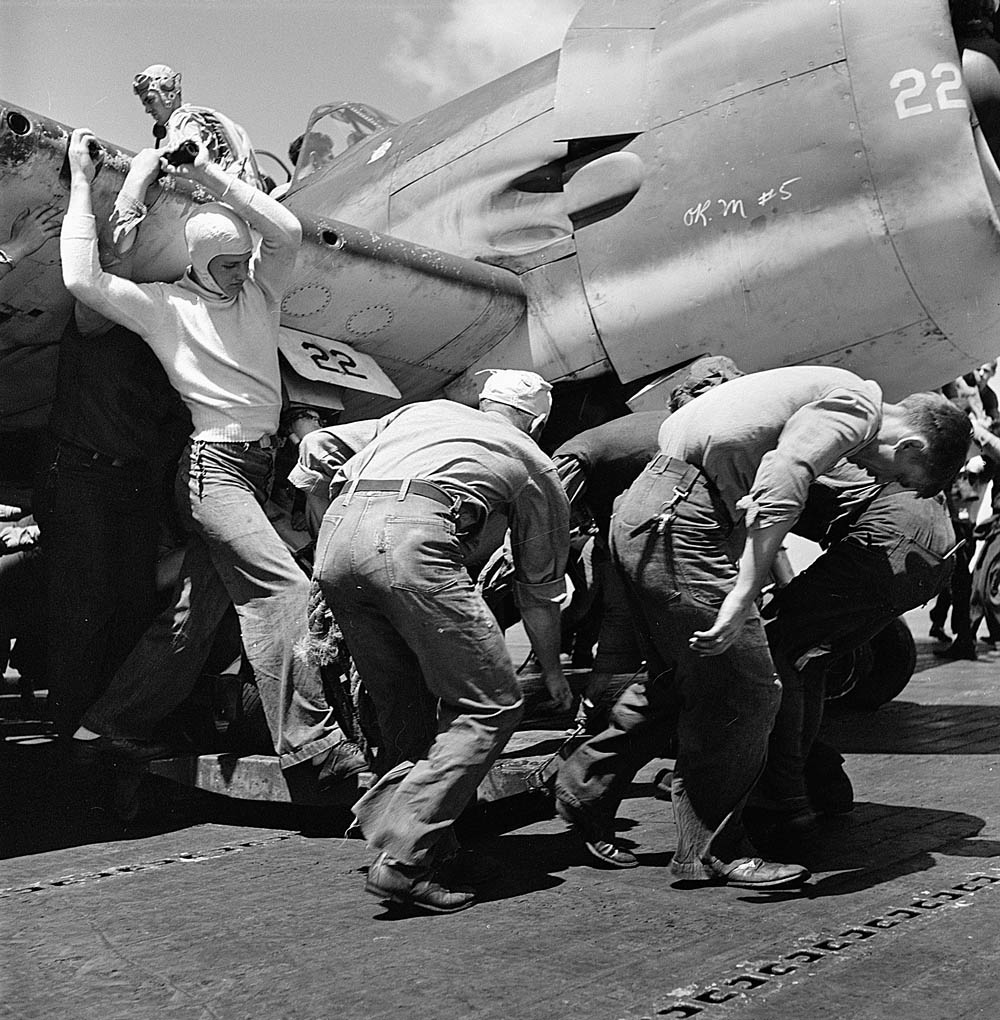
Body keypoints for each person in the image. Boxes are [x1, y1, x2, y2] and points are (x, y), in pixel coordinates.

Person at [554, 366, 972, 889]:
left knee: (697, 678)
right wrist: (741, 594)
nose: (886, 482)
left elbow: (730, 468)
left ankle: (585, 788)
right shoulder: (857, 406)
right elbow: (786, 477)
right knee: (749, 691)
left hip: (657, 513)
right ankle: (717, 846)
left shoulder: (812, 396)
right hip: (681, 522)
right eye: (901, 475)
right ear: (909, 444)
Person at [60, 127, 349, 780]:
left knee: (194, 619)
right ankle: (313, 749)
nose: (243, 269)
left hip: (251, 471)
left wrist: (211, 174)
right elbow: (82, 277)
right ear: (198, 260)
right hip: (212, 474)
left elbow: (287, 232)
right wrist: (81, 181)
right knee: (285, 590)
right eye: (228, 261)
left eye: (244, 257)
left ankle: (105, 727)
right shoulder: (168, 309)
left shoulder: (258, 292)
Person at [313, 370, 572, 913]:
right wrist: (550, 674)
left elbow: (320, 443)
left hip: (337, 536)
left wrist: (327, 512)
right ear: (539, 420)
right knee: (491, 704)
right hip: (411, 538)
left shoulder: (418, 414)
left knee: (401, 700)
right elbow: (539, 593)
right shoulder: (532, 462)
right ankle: (404, 857)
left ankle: (430, 845)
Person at [33, 307, 191, 737]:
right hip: (79, 472)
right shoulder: (99, 312)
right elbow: (88, 299)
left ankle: (108, 731)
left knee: (132, 607)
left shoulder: (169, 326)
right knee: (82, 612)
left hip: (130, 480)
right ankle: (73, 741)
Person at [110, 64, 263, 255]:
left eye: (150, 100)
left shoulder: (182, 118)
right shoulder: (224, 122)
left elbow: (193, 152)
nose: (148, 109)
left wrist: (149, 161)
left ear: (168, 93)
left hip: (223, 223)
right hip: (255, 222)